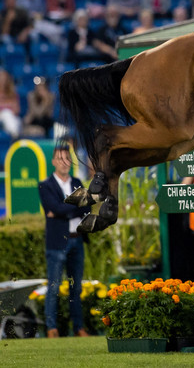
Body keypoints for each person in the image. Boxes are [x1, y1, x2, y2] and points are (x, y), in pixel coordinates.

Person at [37, 145, 91, 338]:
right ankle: (52, 328)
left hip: (77, 240)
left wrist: (62, 210)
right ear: (53, 162)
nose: (64, 162)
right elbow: (54, 209)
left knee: (75, 287)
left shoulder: (77, 181)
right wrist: (73, 207)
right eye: (60, 159)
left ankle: (79, 328)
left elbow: (86, 210)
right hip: (57, 243)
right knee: (54, 286)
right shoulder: (45, 185)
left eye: (67, 158)